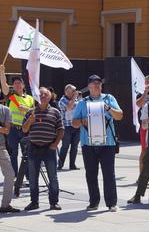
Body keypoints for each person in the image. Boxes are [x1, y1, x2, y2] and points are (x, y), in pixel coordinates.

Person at [72, 75, 123, 212]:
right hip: (88, 144)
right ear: (88, 86)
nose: (97, 85)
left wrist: (108, 109)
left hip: (107, 143)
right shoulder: (83, 102)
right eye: (94, 83)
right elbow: (74, 123)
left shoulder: (109, 98)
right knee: (91, 173)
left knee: (109, 174)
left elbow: (119, 116)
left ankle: (111, 203)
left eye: (99, 83)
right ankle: (94, 202)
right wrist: (83, 121)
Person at [22, 87, 64, 211]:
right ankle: (34, 202)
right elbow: (24, 130)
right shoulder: (30, 112)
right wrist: (29, 121)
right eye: (40, 94)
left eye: (45, 94)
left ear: (50, 97)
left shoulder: (55, 112)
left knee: (53, 177)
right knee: (33, 178)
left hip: (49, 149)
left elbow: (61, 129)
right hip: (33, 148)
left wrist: (55, 143)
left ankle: (54, 202)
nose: (43, 96)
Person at [0, 64, 34, 178]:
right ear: (13, 86)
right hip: (13, 129)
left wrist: (27, 109)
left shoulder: (30, 98)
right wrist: (2, 73)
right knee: (13, 154)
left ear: (23, 85)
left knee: (27, 155)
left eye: (19, 82)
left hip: (25, 129)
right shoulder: (11, 96)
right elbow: (4, 86)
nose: (17, 84)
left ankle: (29, 177)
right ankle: (14, 177)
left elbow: (35, 110)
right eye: (15, 83)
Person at [0, 103, 20, 213]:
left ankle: (5, 205)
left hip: (1, 147)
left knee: (10, 174)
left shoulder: (5, 110)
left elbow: (7, 130)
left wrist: (3, 129)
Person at [57, 84, 80, 170]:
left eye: (75, 91)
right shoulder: (62, 100)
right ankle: (60, 164)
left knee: (74, 146)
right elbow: (69, 108)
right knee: (65, 146)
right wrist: (74, 98)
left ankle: (72, 164)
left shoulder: (76, 99)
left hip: (76, 125)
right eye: (73, 91)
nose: (75, 93)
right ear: (66, 92)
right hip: (66, 126)